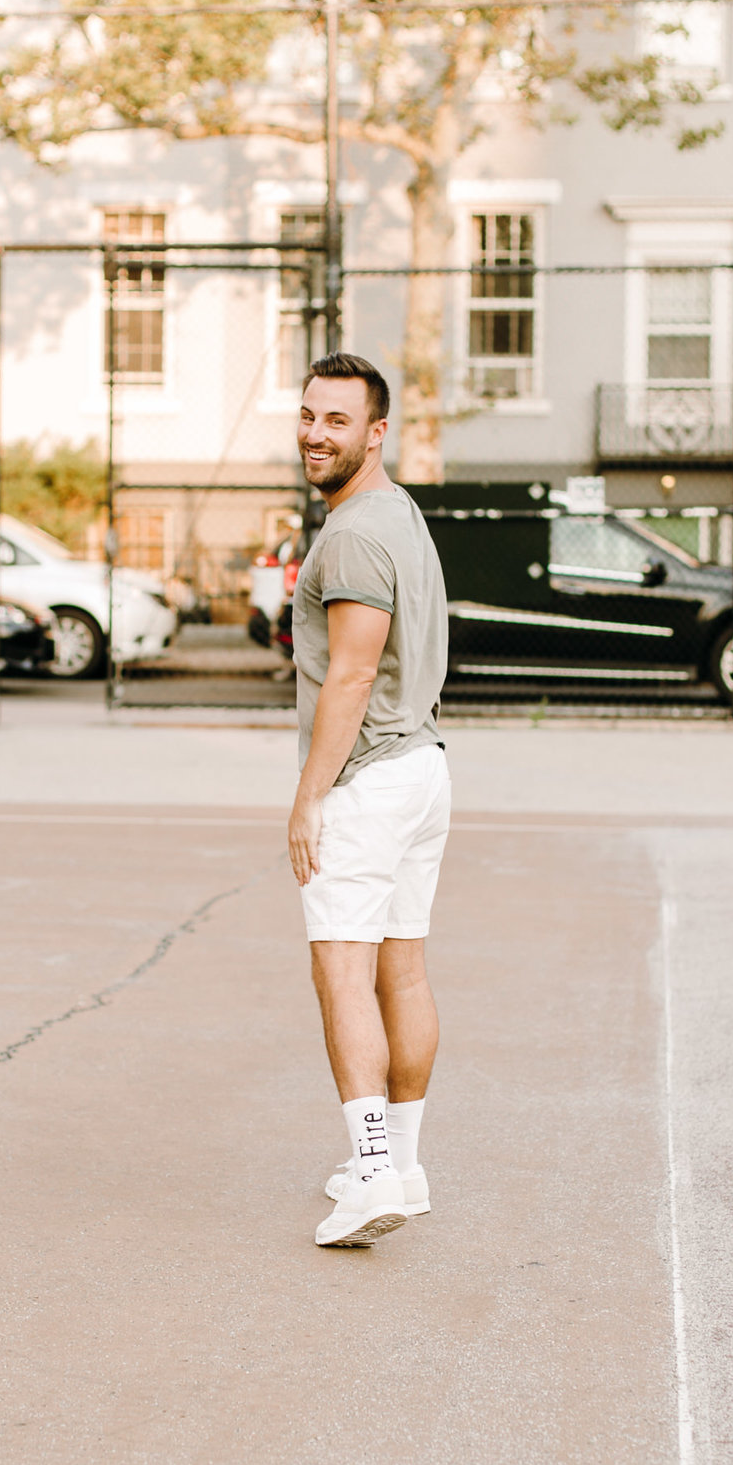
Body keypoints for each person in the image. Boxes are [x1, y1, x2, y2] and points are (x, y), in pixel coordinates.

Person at [289, 353, 452, 1248]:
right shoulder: (400, 514)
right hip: (422, 764)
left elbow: (351, 674)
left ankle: (375, 1170)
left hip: (372, 774)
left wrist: (309, 799)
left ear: (376, 433)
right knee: (405, 968)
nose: (316, 433)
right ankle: (400, 1165)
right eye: (308, 415)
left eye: (337, 421)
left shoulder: (351, 534)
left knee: (342, 970)